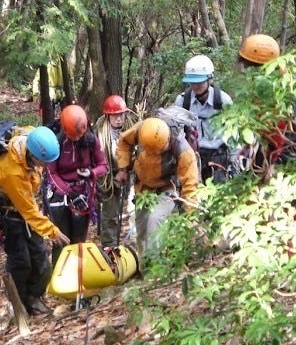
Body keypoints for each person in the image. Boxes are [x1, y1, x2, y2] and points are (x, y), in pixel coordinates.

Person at [0, 125, 71, 315]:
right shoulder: (12, 172)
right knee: (21, 262)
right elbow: (27, 210)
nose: (46, 166)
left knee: (40, 258)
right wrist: (53, 231)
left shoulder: (32, 141)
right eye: (43, 162)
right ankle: (18, 302)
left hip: (28, 213)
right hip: (12, 218)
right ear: (33, 156)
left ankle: (34, 298)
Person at [237, 33, 296, 222]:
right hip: (268, 154)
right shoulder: (260, 89)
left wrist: (280, 166)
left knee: (288, 218)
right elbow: (262, 130)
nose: (247, 72)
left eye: (250, 66)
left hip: (291, 160)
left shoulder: (289, 90)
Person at [114, 117, 200, 257]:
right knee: (141, 228)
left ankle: (154, 267)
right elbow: (124, 141)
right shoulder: (142, 130)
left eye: (160, 150)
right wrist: (123, 169)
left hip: (167, 188)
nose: (156, 154)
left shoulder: (183, 150)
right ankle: (144, 267)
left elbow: (190, 185)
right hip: (142, 187)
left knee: (154, 220)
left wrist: (191, 214)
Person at [44, 105, 108, 261]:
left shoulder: (90, 140)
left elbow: (103, 165)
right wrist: (69, 193)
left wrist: (91, 173)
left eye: (80, 135)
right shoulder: (57, 143)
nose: (77, 138)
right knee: (61, 240)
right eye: (74, 136)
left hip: (82, 191)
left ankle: (78, 275)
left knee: (79, 240)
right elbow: (51, 173)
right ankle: (59, 275)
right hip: (60, 195)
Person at [176, 54, 236, 183]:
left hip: (218, 159)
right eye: (192, 82)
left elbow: (233, 134)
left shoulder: (223, 101)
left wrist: (235, 163)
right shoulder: (183, 102)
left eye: (200, 82)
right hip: (191, 158)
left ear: (210, 79)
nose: (196, 86)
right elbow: (176, 134)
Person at [93, 95, 137, 247]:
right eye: (115, 116)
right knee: (110, 215)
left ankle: (135, 246)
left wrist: (126, 169)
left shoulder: (134, 128)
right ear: (108, 116)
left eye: (122, 115)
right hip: (108, 175)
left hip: (131, 172)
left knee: (134, 211)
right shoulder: (100, 132)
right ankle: (109, 247)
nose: (119, 119)